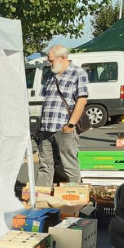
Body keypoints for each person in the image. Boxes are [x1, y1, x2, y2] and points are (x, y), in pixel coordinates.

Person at [37, 45, 88, 187]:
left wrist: (70, 125)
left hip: (64, 127)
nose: (49, 63)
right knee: (45, 165)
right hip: (46, 128)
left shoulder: (78, 73)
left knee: (69, 165)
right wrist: (40, 126)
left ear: (63, 58)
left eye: (51, 60)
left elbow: (82, 100)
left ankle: (74, 201)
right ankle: (41, 199)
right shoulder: (50, 75)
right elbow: (47, 101)